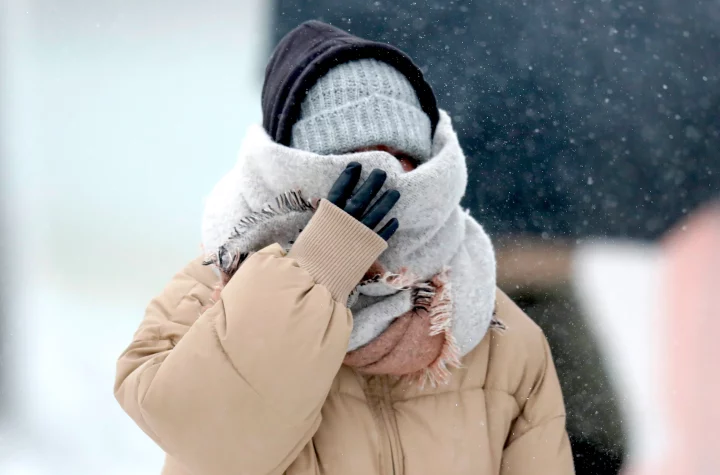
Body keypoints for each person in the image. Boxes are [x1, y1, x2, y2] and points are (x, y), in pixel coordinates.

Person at [114, 20, 574, 475]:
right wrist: (316, 272)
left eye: (399, 159)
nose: (383, 178)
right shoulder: (205, 294)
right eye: (351, 161)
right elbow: (216, 445)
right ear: (292, 166)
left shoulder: (493, 329)